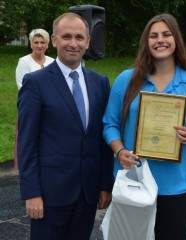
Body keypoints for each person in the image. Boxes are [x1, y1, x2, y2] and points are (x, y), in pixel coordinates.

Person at [103, 13, 186, 240]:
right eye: (153, 35)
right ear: (146, 42)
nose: (160, 40)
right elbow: (110, 124)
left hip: (176, 185)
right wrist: (119, 150)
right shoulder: (127, 79)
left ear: (176, 39)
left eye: (166, 34)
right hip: (132, 182)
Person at [17, 13, 114, 239]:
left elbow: (101, 139)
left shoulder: (100, 83)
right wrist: (31, 193)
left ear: (88, 41)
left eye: (79, 37)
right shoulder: (36, 83)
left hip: (87, 193)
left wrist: (104, 184)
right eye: (66, 36)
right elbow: (27, 143)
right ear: (54, 40)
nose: (73, 43)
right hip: (49, 196)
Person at [14, 29, 54, 168]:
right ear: (31, 44)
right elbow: (23, 88)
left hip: (50, 109)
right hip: (31, 109)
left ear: (47, 45)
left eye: (42, 42)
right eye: (36, 42)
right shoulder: (24, 61)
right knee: (29, 142)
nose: (39, 45)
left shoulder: (52, 61)